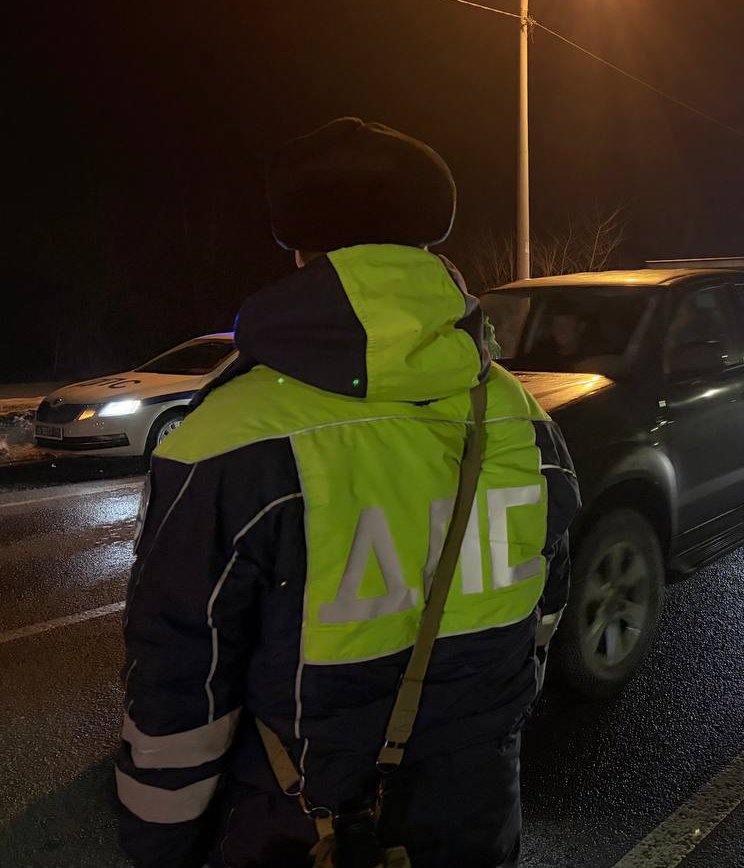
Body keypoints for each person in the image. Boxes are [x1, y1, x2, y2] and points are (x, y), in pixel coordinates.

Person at [116, 118, 579, 868]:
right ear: (428, 244)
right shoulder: (519, 416)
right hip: (478, 820)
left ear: (300, 251)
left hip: (300, 834)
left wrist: (158, 848)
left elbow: (180, 682)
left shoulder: (226, 437)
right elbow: (543, 610)